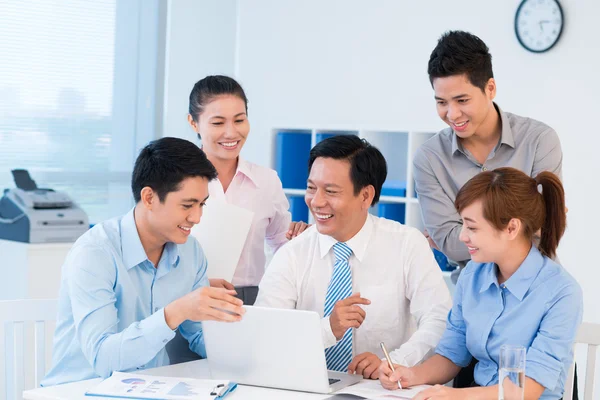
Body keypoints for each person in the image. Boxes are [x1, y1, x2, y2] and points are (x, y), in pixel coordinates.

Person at [41, 137, 245, 386]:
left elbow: (200, 335)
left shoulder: (191, 252)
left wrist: (248, 349)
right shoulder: (94, 253)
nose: (197, 217)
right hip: (80, 389)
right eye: (187, 205)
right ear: (149, 197)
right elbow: (104, 359)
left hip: (150, 388)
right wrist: (176, 311)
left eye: (202, 204)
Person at [255, 135, 451, 378]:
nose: (316, 202)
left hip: (384, 390)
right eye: (311, 188)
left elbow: (439, 320)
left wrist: (392, 362)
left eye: (331, 191)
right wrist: (329, 328)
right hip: (308, 388)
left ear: (366, 196)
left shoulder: (407, 244)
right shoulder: (292, 253)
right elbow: (266, 335)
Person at [380, 167, 583, 400]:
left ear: (512, 228)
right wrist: (411, 375)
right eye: (463, 225)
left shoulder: (562, 292)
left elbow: (528, 389)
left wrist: (456, 396)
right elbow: (452, 353)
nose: (462, 236)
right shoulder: (473, 274)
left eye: (472, 227)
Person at [413, 31, 563, 276]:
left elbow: (547, 227)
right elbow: (450, 244)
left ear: (490, 88)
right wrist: (518, 225)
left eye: (462, 100)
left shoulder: (539, 140)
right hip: (474, 295)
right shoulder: (429, 159)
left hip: (538, 285)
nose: (452, 115)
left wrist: (469, 230)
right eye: (441, 102)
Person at [187, 75, 308, 306]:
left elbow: (282, 244)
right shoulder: (176, 180)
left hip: (251, 300)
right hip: (190, 297)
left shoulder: (266, 181)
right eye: (218, 123)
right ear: (194, 123)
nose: (231, 133)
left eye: (239, 120)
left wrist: (299, 239)